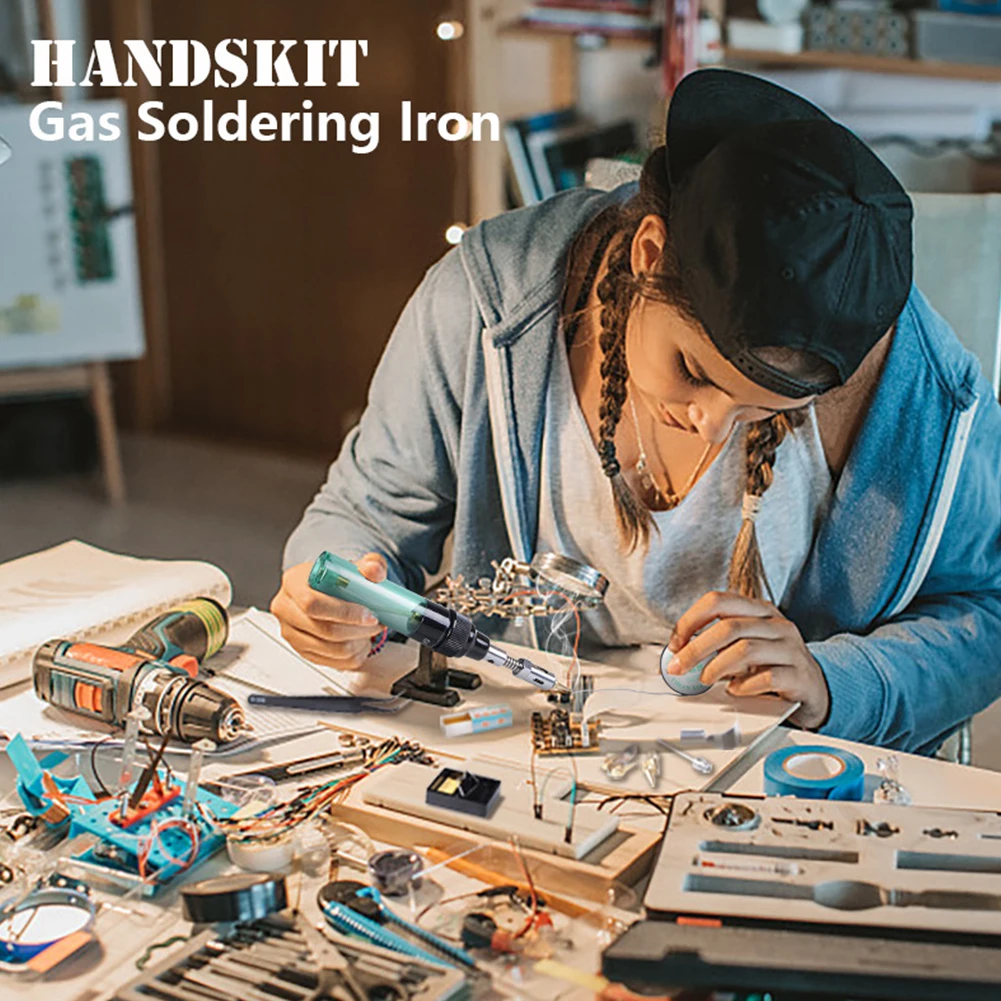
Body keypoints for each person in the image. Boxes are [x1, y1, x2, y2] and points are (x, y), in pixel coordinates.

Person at [272, 69, 1001, 756]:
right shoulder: (484, 301)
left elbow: (986, 612)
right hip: (516, 736)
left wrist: (832, 681)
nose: (712, 425)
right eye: (693, 371)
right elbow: (366, 515)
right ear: (649, 253)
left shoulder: (914, 391)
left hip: (779, 770)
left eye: (762, 411)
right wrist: (334, 592)